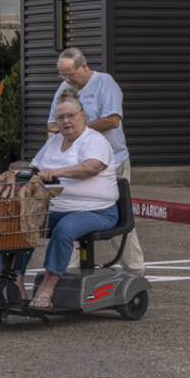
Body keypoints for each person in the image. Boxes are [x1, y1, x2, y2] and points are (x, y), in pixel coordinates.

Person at [0, 93, 120, 309]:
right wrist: (19, 173)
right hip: (54, 207)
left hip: (96, 210)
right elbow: (34, 167)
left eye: (70, 115)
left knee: (65, 229)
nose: (65, 121)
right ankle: (15, 283)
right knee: (18, 224)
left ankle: (47, 288)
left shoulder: (94, 140)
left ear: (83, 116)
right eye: (60, 117)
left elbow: (91, 167)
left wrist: (56, 172)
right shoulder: (54, 142)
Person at [48, 47, 144, 272]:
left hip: (112, 161)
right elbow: (52, 125)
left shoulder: (104, 83)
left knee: (119, 215)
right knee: (70, 211)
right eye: (62, 75)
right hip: (77, 164)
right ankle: (67, 269)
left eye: (71, 74)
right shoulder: (65, 89)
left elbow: (112, 120)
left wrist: (78, 129)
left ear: (84, 65)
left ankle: (135, 268)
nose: (67, 79)